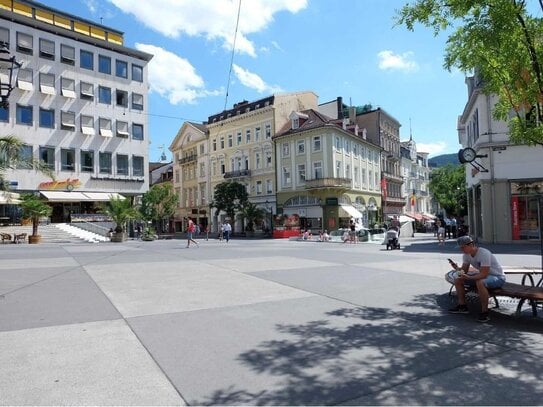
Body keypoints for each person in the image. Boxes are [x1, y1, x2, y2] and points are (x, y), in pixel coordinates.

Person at [448, 235, 506, 322]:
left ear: (471, 245)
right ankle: (462, 306)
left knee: (480, 282)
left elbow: (484, 274)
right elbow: (464, 272)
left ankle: (485, 312)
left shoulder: (484, 253)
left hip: (497, 277)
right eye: (460, 248)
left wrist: (469, 277)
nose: (461, 250)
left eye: (463, 247)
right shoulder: (466, 255)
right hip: (484, 276)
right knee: (458, 279)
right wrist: (457, 269)